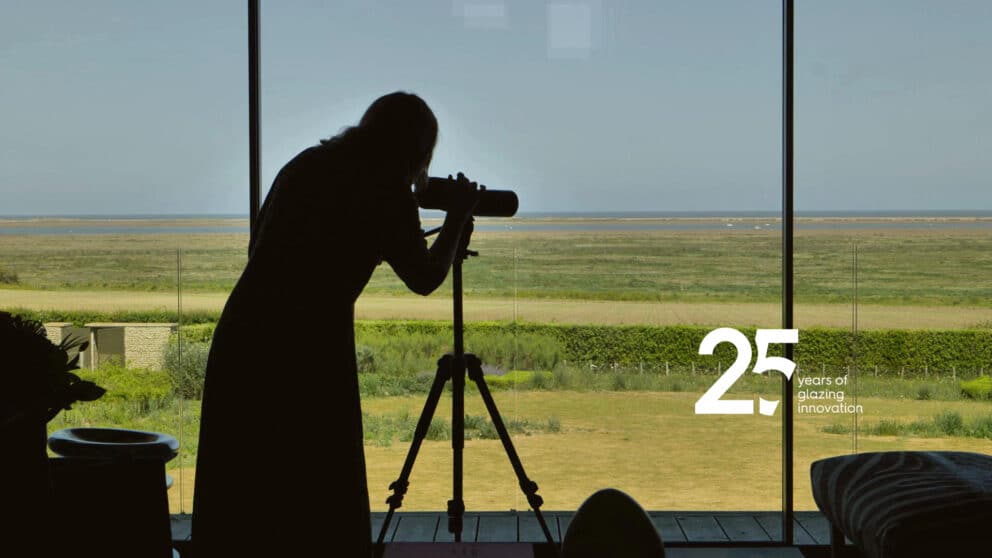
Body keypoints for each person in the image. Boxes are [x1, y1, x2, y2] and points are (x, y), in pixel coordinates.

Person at [192, 91, 479, 557]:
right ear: (417, 150)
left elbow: (262, 248)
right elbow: (424, 277)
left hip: (246, 332)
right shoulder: (385, 187)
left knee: (244, 480)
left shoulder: (307, 164)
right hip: (310, 346)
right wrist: (456, 218)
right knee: (319, 480)